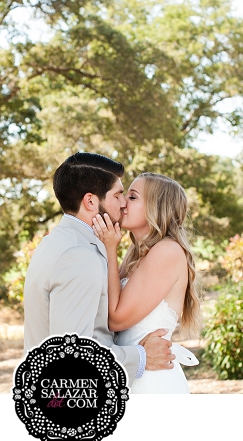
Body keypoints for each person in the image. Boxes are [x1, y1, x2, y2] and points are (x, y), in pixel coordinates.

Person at [23, 153, 176, 386]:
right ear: (91, 202)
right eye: (118, 195)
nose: (124, 203)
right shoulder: (80, 255)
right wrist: (142, 356)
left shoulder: (56, 242)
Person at [92, 172, 201, 393]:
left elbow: (115, 318)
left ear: (156, 207)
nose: (122, 203)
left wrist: (110, 248)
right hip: (133, 373)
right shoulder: (136, 253)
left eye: (132, 197)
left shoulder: (167, 251)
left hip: (152, 382)